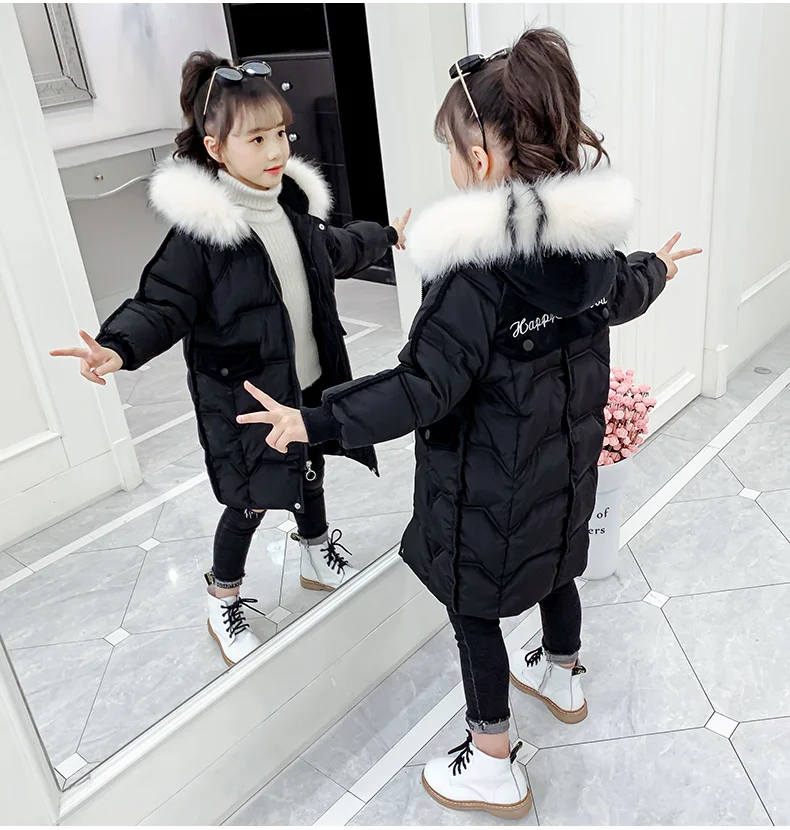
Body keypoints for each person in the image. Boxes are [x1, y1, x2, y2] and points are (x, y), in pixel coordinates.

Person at [236, 28, 702, 820]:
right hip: (563, 478)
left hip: (485, 491)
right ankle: (561, 674)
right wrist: (656, 268)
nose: (450, 163)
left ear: (481, 159)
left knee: (474, 613)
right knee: (558, 569)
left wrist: (315, 420)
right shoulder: (590, 252)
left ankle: (491, 762)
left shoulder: (473, 279)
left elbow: (421, 389)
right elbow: (624, 291)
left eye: (451, 149)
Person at [50, 51, 409, 667]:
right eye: (257, 138)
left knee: (310, 466)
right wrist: (117, 345)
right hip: (244, 401)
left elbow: (339, 250)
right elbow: (161, 302)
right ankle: (222, 597)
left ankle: (315, 550)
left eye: (281, 134)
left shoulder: (293, 215)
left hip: (305, 380)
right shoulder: (202, 234)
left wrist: (388, 236)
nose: (276, 150)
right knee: (247, 499)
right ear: (216, 148)